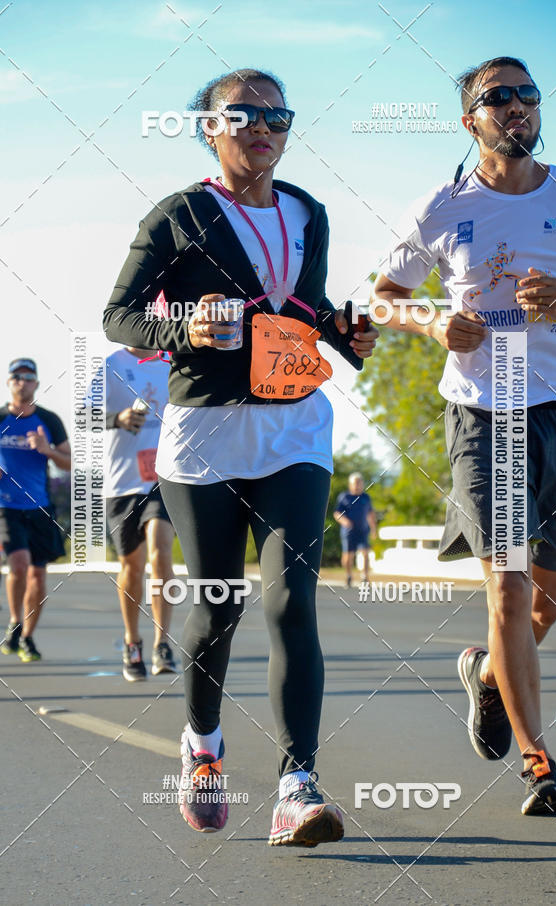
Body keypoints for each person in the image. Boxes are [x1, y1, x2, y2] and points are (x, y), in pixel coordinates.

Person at [103, 69, 379, 845]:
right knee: (219, 605)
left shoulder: (306, 212)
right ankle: (203, 743)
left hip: (294, 429)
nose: (264, 127)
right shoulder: (179, 215)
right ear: (208, 129)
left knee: (291, 601)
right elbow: (118, 314)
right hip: (207, 434)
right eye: (244, 115)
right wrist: (183, 328)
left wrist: (343, 332)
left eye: (278, 116)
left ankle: (298, 784)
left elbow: (303, 306)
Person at [372, 56, 556, 816]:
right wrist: (432, 319)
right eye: (497, 98)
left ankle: (489, 676)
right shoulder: (440, 206)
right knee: (506, 586)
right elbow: (382, 298)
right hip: (484, 413)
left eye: (528, 95)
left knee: (544, 607)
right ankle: (539, 763)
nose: (517, 108)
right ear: (469, 119)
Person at [103, 346, 177, 680]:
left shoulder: (171, 361)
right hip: (122, 482)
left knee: (161, 552)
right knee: (131, 567)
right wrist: (115, 418)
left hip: (164, 477)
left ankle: (163, 642)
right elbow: (83, 415)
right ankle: (132, 640)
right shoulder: (111, 364)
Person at [0, 358, 71, 661]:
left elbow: (68, 463)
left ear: (37, 384)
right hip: (6, 506)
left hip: (40, 507)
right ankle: (16, 621)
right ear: (9, 383)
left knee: (38, 577)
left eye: (28, 378)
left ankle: (27, 637)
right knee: (18, 563)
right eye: (16, 377)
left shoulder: (49, 421)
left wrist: (47, 450)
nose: (22, 382)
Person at [333, 472, 377, 586]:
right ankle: (348, 575)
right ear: (350, 484)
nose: (357, 485)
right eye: (355, 483)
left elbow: (370, 514)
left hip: (362, 530)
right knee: (348, 556)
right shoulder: (344, 497)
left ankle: (365, 577)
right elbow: (337, 513)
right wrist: (344, 521)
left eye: (360, 483)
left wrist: (373, 529)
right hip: (348, 531)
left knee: (365, 553)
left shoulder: (366, 498)